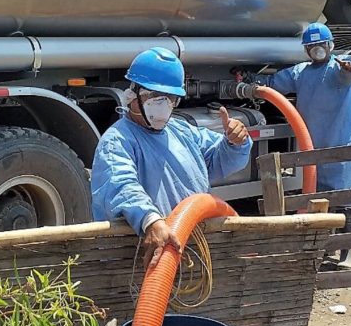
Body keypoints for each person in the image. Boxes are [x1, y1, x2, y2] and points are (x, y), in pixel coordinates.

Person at [91, 47, 252, 268]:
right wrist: (150, 221)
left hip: (189, 250)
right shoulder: (118, 140)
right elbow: (121, 186)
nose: (164, 106)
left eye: (171, 99)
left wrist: (235, 141)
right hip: (143, 260)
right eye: (156, 97)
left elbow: (219, 160)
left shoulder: (182, 131)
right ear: (133, 94)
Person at [258, 22, 351, 266]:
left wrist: (349, 68)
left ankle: (348, 254)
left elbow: (350, 71)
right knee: (320, 195)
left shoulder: (340, 66)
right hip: (313, 145)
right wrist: (252, 80)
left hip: (341, 142)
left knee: (346, 196)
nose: (317, 49)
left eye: (321, 45)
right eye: (312, 46)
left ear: (330, 45)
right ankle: (326, 249)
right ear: (306, 50)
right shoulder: (301, 73)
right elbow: (273, 84)